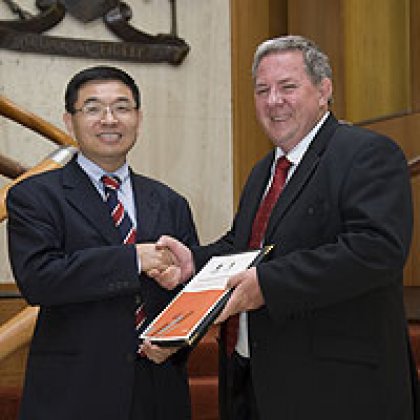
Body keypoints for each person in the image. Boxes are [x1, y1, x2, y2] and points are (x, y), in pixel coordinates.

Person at [153, 35, 418, 419]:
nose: (273, 100)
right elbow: (245, 247)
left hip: (334, 389)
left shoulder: (366, 153)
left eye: (288, 87)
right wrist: (193, 262)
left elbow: (376, 250)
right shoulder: (265, 169)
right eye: (263, 90)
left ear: (324, 90)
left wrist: (268, 285)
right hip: (252, 376)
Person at [6, 65, 198, 420]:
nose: (109, 119)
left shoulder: (171, 201)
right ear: (70, 121)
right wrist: (133, 260)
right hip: (74, 391)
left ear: (138, 118)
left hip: (158, 389)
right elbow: (39, 279)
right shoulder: (34, 196)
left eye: (122, 108)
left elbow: (191, 291)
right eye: (93, 108)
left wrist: (178, 341)